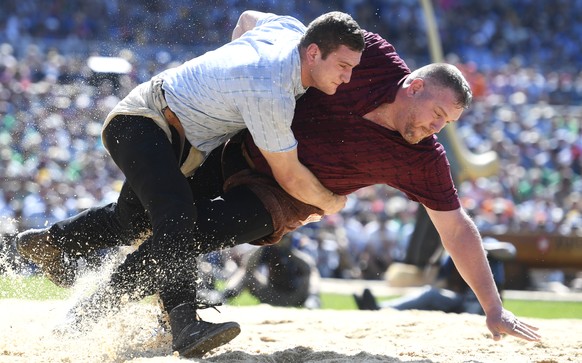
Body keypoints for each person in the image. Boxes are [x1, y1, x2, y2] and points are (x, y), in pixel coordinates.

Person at [17, 28, 541, 354]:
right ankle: (57, 241)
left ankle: (96, 308)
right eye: (438, 114)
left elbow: (456, 227)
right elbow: (261, 24)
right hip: (243, 147)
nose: (436, 128)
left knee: (188, 231)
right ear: (415, 86)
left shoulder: (422, 158)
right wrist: (234, 62)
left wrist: (492, 308)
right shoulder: (369, 58)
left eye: (446, 123)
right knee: (143, 218)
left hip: (282, 199)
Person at [14, 10, 365, 358]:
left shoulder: (290, 28)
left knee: (132, 222)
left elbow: (246, 18)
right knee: (176, 214)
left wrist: (230, 71)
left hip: (170, 135)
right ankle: (184, 324)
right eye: (343, 67)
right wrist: (330, 203)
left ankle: (53, 242)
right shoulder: (269, 88)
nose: (347, 79)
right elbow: (288, 175)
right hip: (142, 121)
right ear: (314, 53)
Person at [353, 239, 516, 314]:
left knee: (471, 311)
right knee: (430, 294)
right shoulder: (455, 253)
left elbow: (509, 251)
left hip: (487, 305)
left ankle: (378, 309)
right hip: (462, 301)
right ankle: (380, 308)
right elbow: (435, 280)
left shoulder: (488, 246)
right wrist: (442, 250)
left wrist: (473, 245)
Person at [216, 234, 321, 309]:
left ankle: (313, 299)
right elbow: (247, 266)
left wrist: (292, 254)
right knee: (244, 274)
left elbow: (309, 267)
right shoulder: (267, 250)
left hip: (294, 296)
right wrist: (264, 244)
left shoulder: (297, 249)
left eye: (284, 237)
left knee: (312, 273)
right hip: (272, 294)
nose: (281, 240)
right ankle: (223, 296)